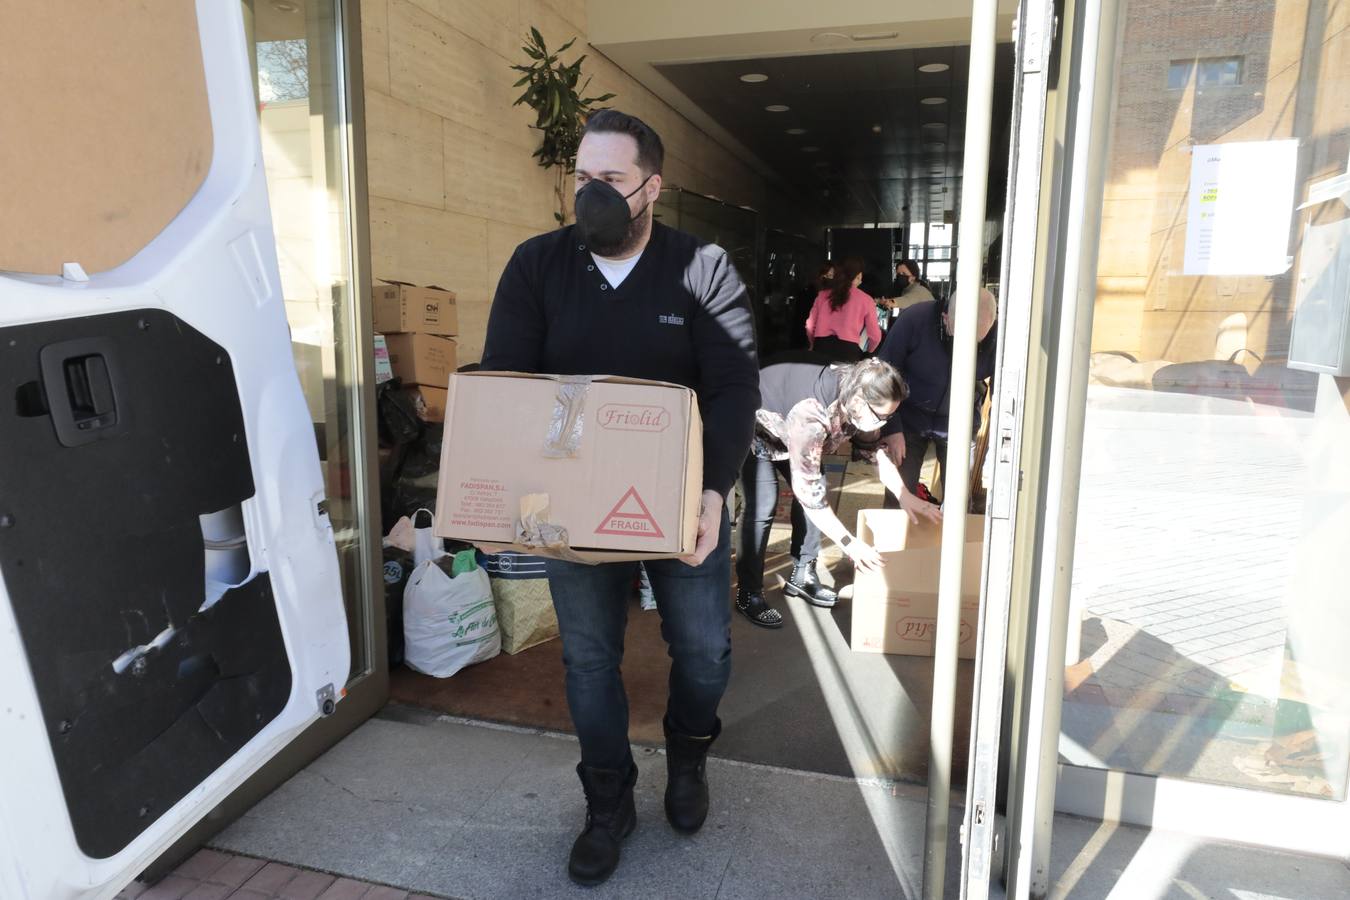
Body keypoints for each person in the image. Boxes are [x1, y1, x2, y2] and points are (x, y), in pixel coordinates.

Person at [480, 109, 759, 887]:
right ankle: (608, 803)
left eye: (610, 180)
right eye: (582, 178)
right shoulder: (537, 265)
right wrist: (517, 499)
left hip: (680, 502)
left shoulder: (703, 265)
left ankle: (688, 755)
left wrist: (714, 493)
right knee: (589, 659)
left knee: (704, 651)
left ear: (652, 187)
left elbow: (735, 384)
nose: (591, 195)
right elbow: (508, 382)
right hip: (575, 508)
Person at [735, 357, 912, 627]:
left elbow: (875, 452)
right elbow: (811, 497)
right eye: (880, 417)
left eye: (889, 417)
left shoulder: (859, 399)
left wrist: (905, 495)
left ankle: (803, 574)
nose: (883, 424)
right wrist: (850, 544)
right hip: (755, 426)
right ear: (859, 400)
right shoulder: (811, 415)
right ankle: (748, 593)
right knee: (763, 504)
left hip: (791, 431)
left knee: (818, 487)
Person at [874, 287, 998, 521]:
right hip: (908, 418)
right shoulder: (914, 319)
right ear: (946, 318)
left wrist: (999, 444)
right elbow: (883, 376)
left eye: (977, 341)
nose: (969, 347)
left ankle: (949, 554)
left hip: (959, 423)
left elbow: (1006, 390)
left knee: (958, 499)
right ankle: (894, 554)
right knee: (899, 492)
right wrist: (892, 428)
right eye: (960, 337)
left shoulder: (996, 336)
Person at [805, 256, 882, 362]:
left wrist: (813, 344)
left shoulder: (822, 295)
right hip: (848, 351)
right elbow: (875, 335)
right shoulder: (866, 300)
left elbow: (810, 326)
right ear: (858, 275)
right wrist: (869, 351)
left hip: (821, 347)